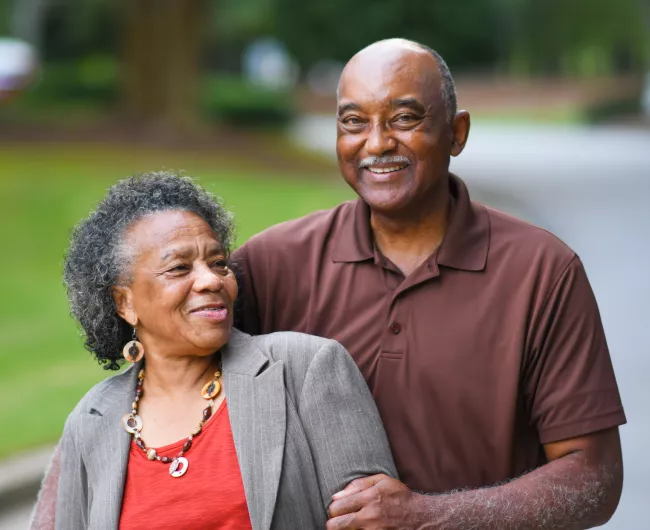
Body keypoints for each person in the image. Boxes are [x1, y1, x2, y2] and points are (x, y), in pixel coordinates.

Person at [33, 38, 626, 529]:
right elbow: (160, 375)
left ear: (457, 132)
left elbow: (593, 479)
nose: (376, 143)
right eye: (353, 122)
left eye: (404, 118)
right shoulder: (274, 262)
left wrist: (429, 517)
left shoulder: (541, 272)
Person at [35, 173, 396, 530]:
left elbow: (376, 523)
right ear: (125, 302)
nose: (211, 280)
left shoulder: (306, 369)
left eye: (219, 263)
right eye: (179, 268)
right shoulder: (91, 420)